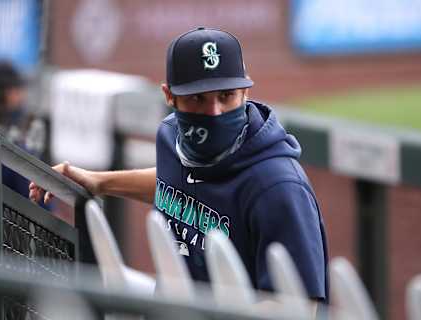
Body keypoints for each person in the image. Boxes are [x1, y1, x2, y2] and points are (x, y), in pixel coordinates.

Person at [30, 27, 328, 304]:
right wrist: (101, 182)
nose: (214, 112)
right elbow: (179, 186)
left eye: (226, 96)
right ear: (169, 96)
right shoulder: (172, 138)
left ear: (246, 93)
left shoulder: (278, 188)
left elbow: (300, 308)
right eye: (197, 98)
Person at [0, 60, 46, 199]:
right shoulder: (7, 146)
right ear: (7, 94)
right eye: (18, 91)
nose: (22, 97)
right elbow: (40, 203)